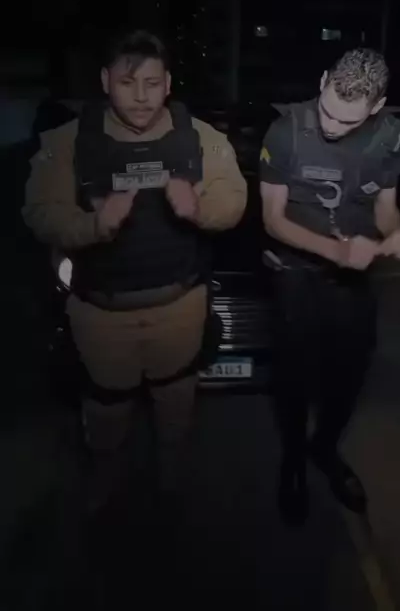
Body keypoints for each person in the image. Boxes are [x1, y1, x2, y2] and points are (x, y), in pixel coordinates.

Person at [23, 30, 247, 515]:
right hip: (101, 313)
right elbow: (39, 212)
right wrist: (93, 225)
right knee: (106, 404)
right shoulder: (68, 142)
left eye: (152, 83)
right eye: (128, 83)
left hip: (179, 306)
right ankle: (105, 476)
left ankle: (171, 476)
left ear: (168, 83)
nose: (142, 96)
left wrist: (199, 209)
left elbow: (233, 200)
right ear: (106, 81)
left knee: (176, 399)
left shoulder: (203, 138)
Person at [259, 48, 400, 525]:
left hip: (351, 280)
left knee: (350, 376)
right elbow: (272, 220)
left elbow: (385, 208)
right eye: (328, 110)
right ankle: (292, 460)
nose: (331, 125)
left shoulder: (390, 138)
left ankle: (324, 449)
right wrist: (336, 251)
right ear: (324, 79)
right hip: (296, 273)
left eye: (347, 120)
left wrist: (397, 232)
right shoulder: (286, 131)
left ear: (377, 106)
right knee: (294, 378)